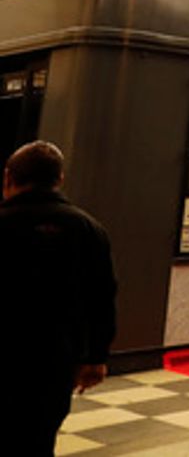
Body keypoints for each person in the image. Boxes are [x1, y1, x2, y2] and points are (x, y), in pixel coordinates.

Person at [0, 141, 117, 455]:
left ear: (8, 177)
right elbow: (102, 298)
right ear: (59, 179)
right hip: (55, 361)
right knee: (38, 438)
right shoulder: (89, 229)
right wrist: (96, 357)